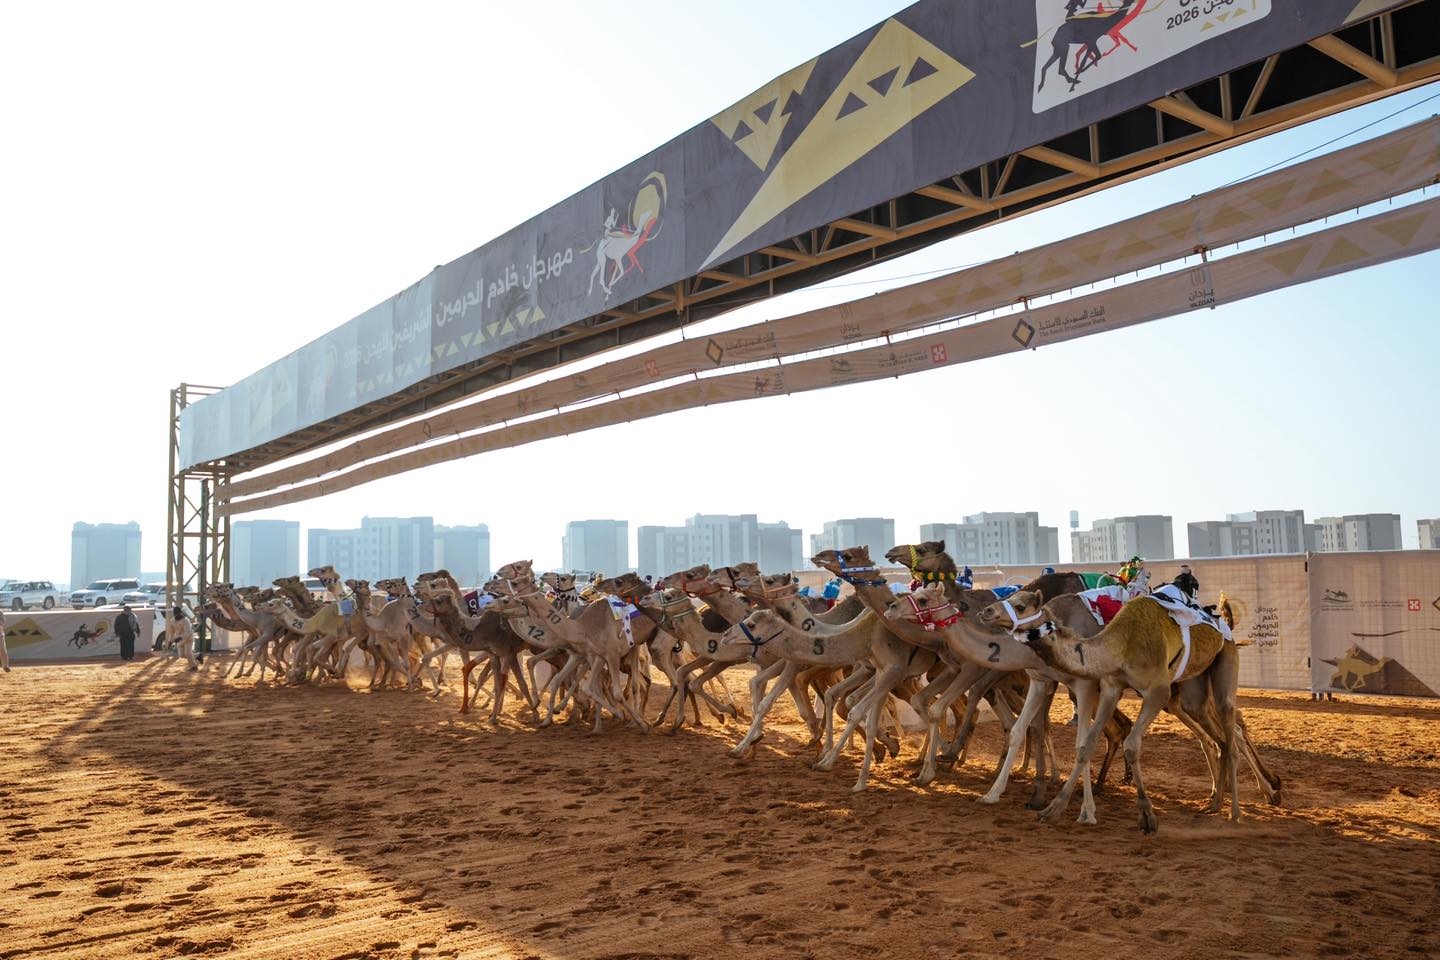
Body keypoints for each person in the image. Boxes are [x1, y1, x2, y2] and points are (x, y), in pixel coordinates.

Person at [168, 606, 200, 671]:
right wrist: (170, 641)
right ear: (174, 614)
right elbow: (171, 632)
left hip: (188, 638)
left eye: (178, 613)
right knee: (182, 655)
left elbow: (188, 632)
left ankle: (193, 666)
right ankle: (198, 655)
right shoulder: (172, 621)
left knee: (187, 653)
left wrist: (179, 638)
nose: (177, 614)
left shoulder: (185, 620)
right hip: (179, 640)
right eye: (175, 613)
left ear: (180, 612)